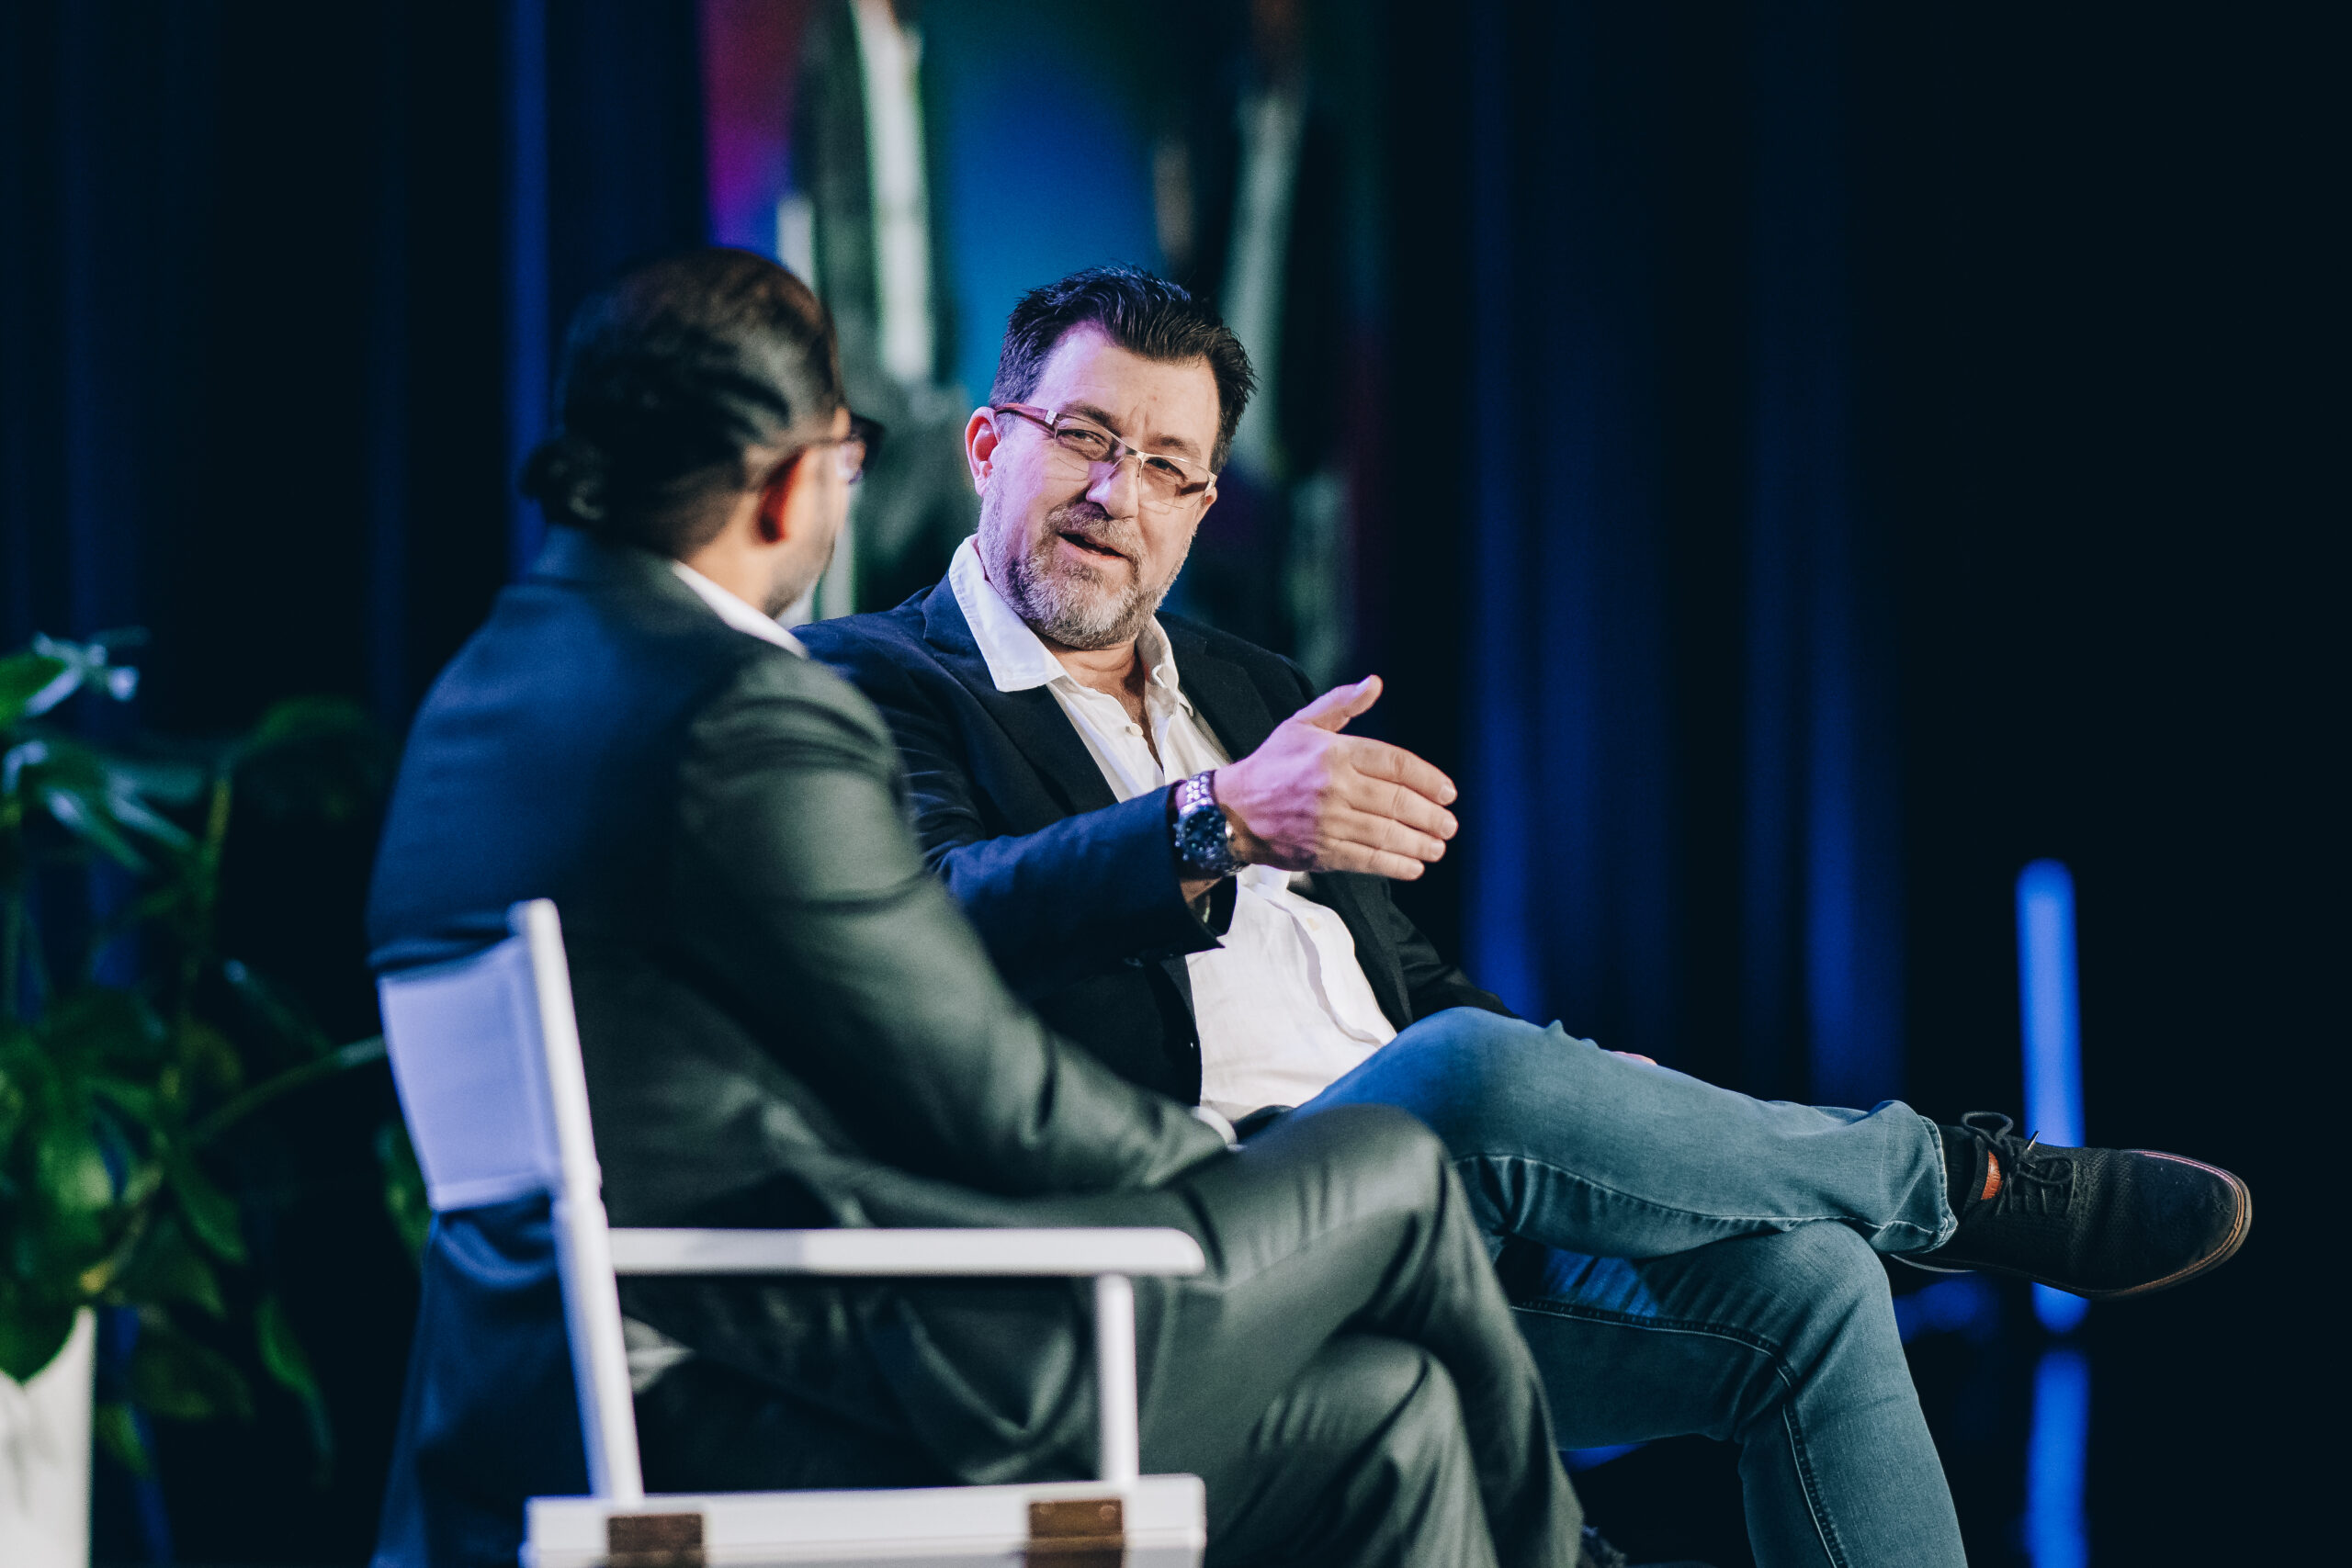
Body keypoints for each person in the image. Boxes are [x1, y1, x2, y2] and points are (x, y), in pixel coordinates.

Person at [797, 264, 2256, 1568]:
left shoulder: (1245, 687)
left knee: (1807, 1287)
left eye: (1166, 465)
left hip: (1433, 1227)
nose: (1117, 493)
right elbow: (933, 921)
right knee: (1469, 1076)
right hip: (1183, 1252)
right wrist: (1214, 820)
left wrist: (1581, 1098)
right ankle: (1954, 1184)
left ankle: (1905, 1201)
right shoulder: (868, 682)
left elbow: (1402, 988)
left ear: (1201, 508)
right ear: (989, 444)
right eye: (1085, 437)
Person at [363, 249, 1612, 1568]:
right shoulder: (747, 711)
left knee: (1394, 1416)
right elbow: (984, 1093)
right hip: (802, 1382)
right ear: (792, 485)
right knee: (1393, 1168)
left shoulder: (482, 693)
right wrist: (1240, 1167)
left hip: (561, 1386)